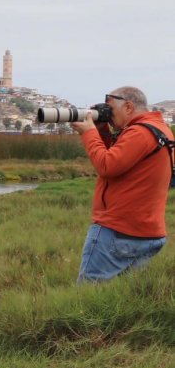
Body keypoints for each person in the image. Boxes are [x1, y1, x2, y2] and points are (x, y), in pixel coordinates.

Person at [71, 87, 172, 283]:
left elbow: (107, 166)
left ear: (128, 106)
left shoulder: (140, 132)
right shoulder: (159, 129)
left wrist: (89, 132)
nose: (108, 116)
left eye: (110, 110)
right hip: (147, 231)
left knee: (90, 296)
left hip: (118, 231)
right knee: (125, 297)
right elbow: (122, 160)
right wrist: (101, 131)